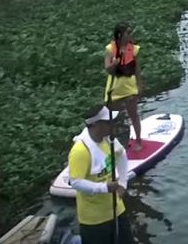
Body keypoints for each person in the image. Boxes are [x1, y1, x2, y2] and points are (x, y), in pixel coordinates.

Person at [69, 104, 132, 244]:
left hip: (117, 209)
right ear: (96, 125)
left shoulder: (109, 139)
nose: (113, 124)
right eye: (109, 122)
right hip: (94, 219)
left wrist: (123, 183)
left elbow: (122, 155)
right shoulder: (80, 151)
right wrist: (104, 188)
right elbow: (75, 182)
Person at [104, 22, 143, 151]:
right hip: (115, 88)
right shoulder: (110, 49)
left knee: (133, 115)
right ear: (120, 35)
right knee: (115, 118)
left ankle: (138, 140)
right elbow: (108, 69)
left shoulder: (134, 49)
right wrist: (114, 63)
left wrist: (139, 85)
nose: (130, 35)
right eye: (128, 33)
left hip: (129, 87)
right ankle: (118, 143)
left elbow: (137, 69)